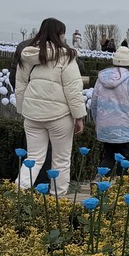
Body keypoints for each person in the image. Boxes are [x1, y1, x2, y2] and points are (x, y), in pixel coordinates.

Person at [14, 18, 87, 196]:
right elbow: (73, 89)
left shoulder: (28, 55)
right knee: (61, 160)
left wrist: (23, 110)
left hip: (32, 116)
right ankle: (57, 199)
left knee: (33, 158)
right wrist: (79, 116)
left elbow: (20, 85)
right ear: (60, 34)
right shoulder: (66, 56)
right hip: (59, 116)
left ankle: (18, 193)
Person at [89, 46, 129, 174]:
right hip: (125, 127)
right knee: (124, 158)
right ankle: (122, 184)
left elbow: (94, 104)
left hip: (105, 126)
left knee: (108, 156)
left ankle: (102, 182)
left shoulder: (101, 80)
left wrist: (98, 122)